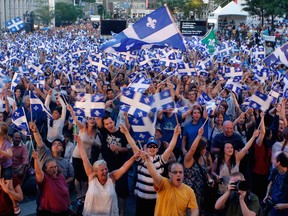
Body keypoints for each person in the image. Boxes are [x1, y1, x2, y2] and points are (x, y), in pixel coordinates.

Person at [120, 124, 181, 216]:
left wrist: (175, 134)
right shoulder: (141, 158)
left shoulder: (160, 159)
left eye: (154, 146)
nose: (152, 148)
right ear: (147, 147)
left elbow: (170, 148)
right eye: (150, 146)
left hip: (156, 199)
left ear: (157, 149)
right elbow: (133, 145)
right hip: (141, 199)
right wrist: (126, 133)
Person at [75, 135, 137, 216]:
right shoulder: (91, 175)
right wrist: (79, 142)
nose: (105, 171)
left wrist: (134, 157)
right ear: (96, 172)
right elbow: (84, 157)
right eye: (102, 170)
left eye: (106, 169)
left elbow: (124, 167)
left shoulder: (112, 177)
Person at [67, 104, 101, 204]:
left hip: (87, 157)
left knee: (86, 178)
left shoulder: (95, 132)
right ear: (87, 120)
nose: (92, 120)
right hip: (77, 156)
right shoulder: (82, 128)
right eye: (90, 118)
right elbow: (75, 120)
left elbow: (97, 143)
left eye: (93, 119)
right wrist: (71, 110)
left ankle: (84, 194)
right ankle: (78, 194)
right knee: (78, 177)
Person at [212, 130, 259, 195]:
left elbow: (245, 149)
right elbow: (212, 171)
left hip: (235, 191)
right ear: (223, 150)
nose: (230, 149)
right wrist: (216, 176)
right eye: (227, 148)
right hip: (222, 191)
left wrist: (253, 137)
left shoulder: (237, 158)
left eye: (231, 147)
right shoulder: (218, 160)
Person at [183, 127, 214, 214]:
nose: (205, 150)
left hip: (200, 194)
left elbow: (204, 171)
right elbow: (192, 149)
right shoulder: (188, 159)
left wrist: (209, 179)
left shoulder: (202, 158)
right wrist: (199, 135)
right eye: (203, 148)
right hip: (189, 196)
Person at [32, 151, 70, 215]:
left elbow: (66, 190)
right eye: (51, 168)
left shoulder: (61, 176)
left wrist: (69, 203)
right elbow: (38, 172)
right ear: (46, 169)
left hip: (64, 212)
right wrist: (36, 159)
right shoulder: (45, 178)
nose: (54, 169)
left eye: (55, 167)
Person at [263, 152, 288, 216]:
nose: (272, 160)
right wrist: (267, 195)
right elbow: (270, 183)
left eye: (274, 159)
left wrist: (285, 206)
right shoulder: (275, 171)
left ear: (278, 163)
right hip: (273, 206)